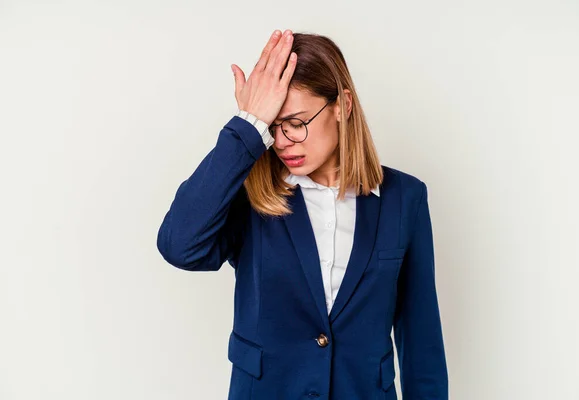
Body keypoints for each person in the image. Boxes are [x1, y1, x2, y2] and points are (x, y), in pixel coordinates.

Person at [157, 29, 448, 400]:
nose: (281, 142)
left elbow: (421, 339)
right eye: (272, 127)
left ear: (342, 105)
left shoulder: (404, 198)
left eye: (295, 123)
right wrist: (247, 127)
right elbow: (179, 246)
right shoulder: (250, 195)